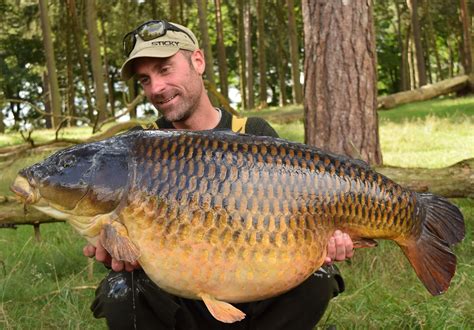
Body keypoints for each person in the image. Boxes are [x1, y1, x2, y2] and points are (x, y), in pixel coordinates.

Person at [83, 20, 354, 330]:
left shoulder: (253, 133)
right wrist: (115, 251)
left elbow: (298, 210)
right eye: (145, 79)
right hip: (177, 300)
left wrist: (329, 237)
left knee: (318, 277)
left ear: (197, 61)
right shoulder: (137, 148)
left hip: (254, 291)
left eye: (165, 69)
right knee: (120, 290)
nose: (156, 88)